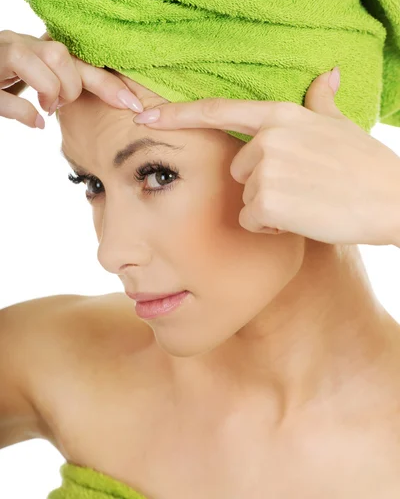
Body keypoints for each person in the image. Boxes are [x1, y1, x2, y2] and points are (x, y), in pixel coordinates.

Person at [1, 29, 400, 498]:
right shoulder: (57, 359)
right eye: (91, 183)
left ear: (309, 156)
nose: (111, 253)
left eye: (157, 174)